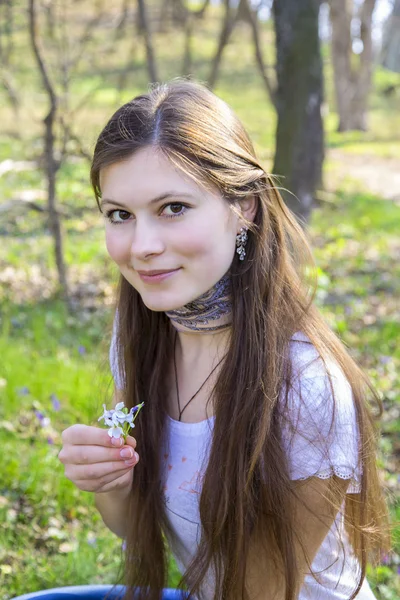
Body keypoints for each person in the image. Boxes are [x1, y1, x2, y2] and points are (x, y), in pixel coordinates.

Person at [58, 79, 391, 600]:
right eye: (120, 214)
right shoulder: (140, 336)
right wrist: (111, 483)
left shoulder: (305, 386)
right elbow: (134, 527)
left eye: (173, 207)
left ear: (245, 208)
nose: (142, 246)